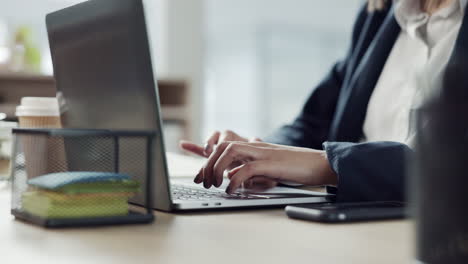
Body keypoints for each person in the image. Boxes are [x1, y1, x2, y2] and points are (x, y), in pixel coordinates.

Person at [180, 0, 468, 202]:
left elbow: (450, 168)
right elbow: (314, 120)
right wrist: (258, 152)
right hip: (359, 226)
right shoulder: (378, 14)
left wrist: (328, 165)